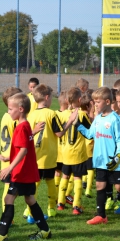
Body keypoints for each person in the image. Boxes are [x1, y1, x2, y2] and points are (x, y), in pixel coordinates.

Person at [0, 93, 51, 241]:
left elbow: (23, 150)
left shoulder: (21, 128)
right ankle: (45, 231)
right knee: (30, 199)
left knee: (9, 198)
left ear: (20, 109)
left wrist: (9, 167)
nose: (8, 112)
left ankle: (1, 234)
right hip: (27, 170)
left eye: (10, 109)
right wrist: (7, 158)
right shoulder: (26, 125)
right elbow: (24, 147)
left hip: (21, 172)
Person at [27, 84, 78, 218]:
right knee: (50, 182)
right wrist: (70, 121)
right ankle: (51, 209)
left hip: (35, 156)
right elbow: (60, 133)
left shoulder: (31, 115)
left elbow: (28, 135)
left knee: (35, 184)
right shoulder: (51, 113)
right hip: (49, 156)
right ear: (47, 97)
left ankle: (29, 211)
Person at [75, 87, 120, 224]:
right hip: (100, 161)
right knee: (100, 186)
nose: (95, 105)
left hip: (114, 161)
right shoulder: (98, 119)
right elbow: (90, 134)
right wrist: (77, 124)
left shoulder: (115, 119)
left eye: (98, 102)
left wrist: (117, 157)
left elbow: (119, 140)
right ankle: (101, 216)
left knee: (118, 187)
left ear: (107, 101)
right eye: (94, 102)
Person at [57, 87, 91, 215]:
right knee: (77, 178)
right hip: (78, 154)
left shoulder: (63, 115)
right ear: (80, 99)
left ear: (66, 100)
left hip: (65, 153)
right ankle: (76, 206)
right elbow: (90, 131)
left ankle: (60, 203)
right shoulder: (82, 114)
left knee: (64, 177)